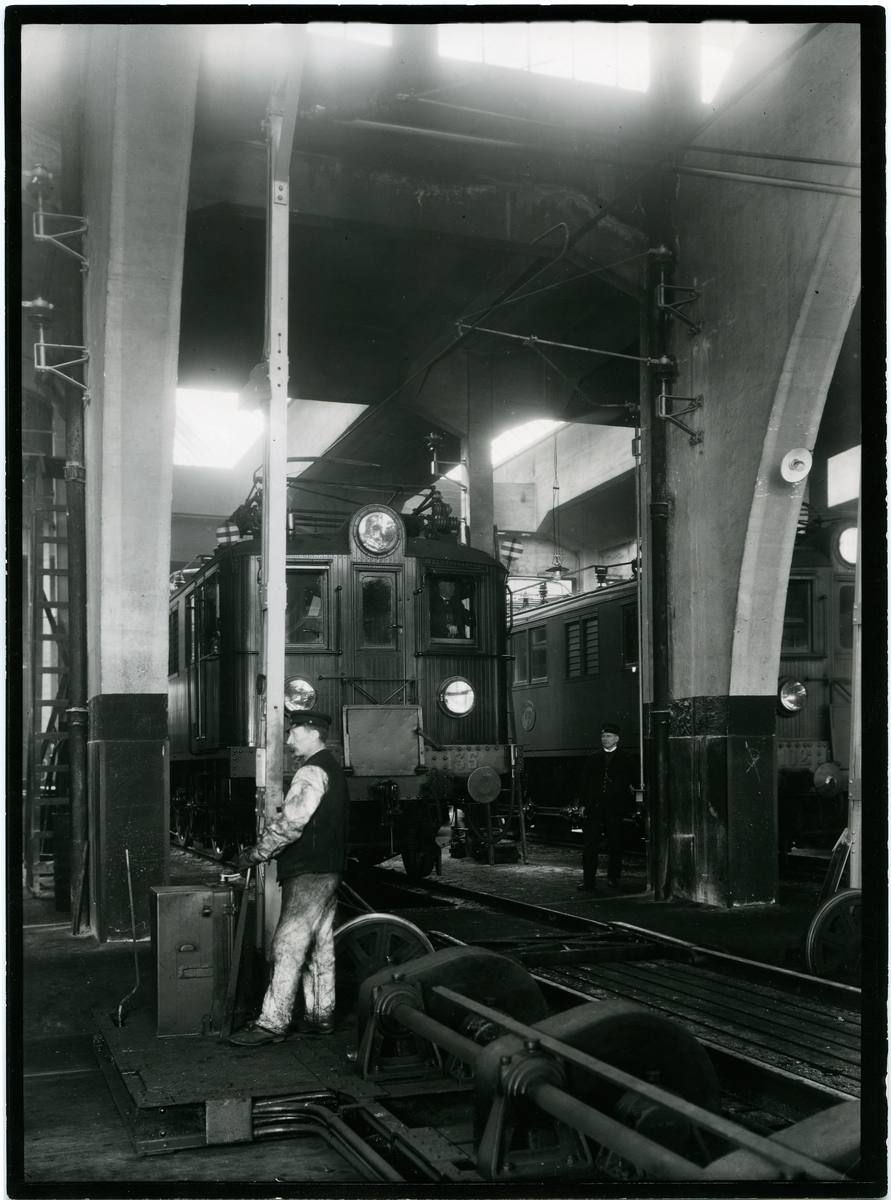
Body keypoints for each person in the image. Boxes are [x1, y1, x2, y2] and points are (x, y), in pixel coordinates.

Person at [229, 711, 349, 1045]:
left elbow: (291, 823)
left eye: (293, 732)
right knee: (320, 945)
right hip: (329, 868)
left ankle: (273, 1022)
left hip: (307, 870)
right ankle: (320, 1017)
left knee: (287, 944)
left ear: (313, 733)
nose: (288, 740)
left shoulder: (311, 771)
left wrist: (257, 853)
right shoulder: (332, 769)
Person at [577, 722, 636, 892]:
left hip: (615, 808)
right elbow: (584, 783)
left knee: (616, 842)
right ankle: (588, 880)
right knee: (590, 844)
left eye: (609, 736)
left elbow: (635, 780)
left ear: (617, 739)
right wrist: (582, 804)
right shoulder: (593, 758)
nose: (605, 739)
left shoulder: (626, 758)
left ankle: (613, 878)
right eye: (603, 736)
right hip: (595, 807)